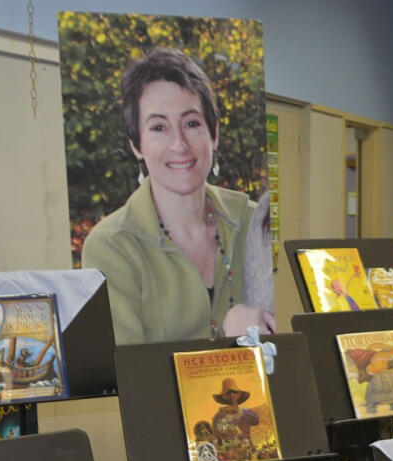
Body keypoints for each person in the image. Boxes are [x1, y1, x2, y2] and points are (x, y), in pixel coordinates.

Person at [81, 47, 273, 344]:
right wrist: (235, 340)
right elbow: (128, 376)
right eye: (159, 127)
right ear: (136, 144)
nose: (179, 144)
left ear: (214, 132)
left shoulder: (255, 224)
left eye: (192, 123)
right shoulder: (111, 247)